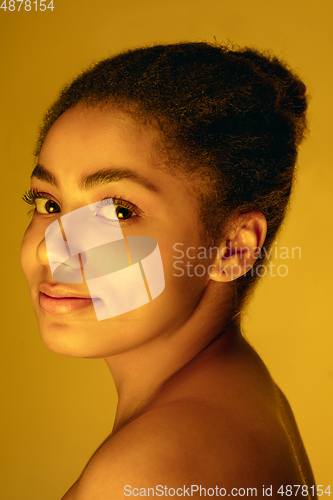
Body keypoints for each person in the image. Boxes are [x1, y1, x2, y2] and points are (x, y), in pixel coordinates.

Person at [20, 42, 317, 499]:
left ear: (231, 249)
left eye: (118, 212)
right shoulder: (235, 402)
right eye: (49, 203)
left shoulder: (149, 471)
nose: (51, 251)